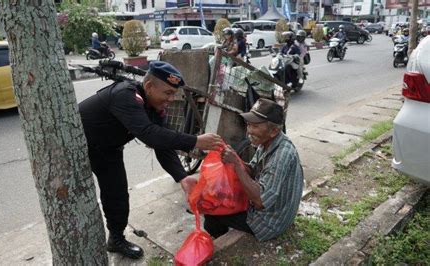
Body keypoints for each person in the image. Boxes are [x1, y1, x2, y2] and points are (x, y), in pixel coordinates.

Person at [78, 61, 222, 259]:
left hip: (106, 149)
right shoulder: (125, 95)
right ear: (149, 87)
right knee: (77, 200)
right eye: (168, 93)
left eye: (174, 94)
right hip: (75, 148)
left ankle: (116, 239)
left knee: (117, 194)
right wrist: (196, 141)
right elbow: (149, 134)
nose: (171, 99)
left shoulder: (154, 107)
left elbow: (162, 144)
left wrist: (182, 177)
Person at [203, 98, 304, 241]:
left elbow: (260, 201)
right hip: (269, 208)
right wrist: (236, 159)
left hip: (270, 221)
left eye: (255, 126)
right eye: (249, 125)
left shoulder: (281, 155)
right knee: (217, 195)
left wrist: (237, 165)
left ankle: (220, 238)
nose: (249, 131)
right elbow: (252, 170)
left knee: (211, 209)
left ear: (273, 130)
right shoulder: (267, 142)